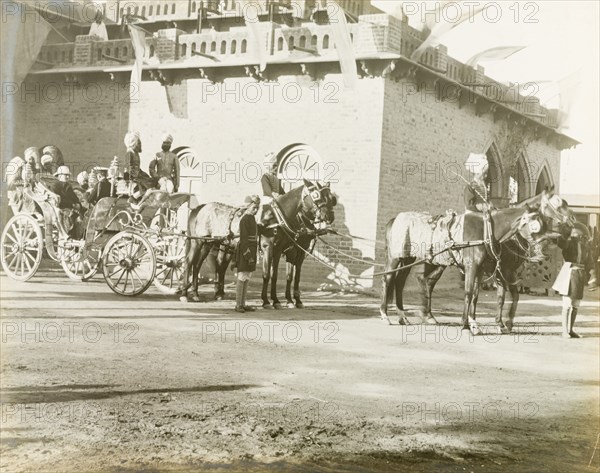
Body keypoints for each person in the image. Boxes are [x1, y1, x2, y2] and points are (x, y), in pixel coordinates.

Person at [552, 223, 598, 338]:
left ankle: (570, 329)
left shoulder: (585, 248)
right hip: (569, 273)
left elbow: (590, 263)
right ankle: (564, 330)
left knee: (576, 304)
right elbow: (562, 242)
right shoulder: (568, 244)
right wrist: (565, 231)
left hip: (579, 275)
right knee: (567, 304)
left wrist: (592, 278)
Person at [232, 195, 260, 313]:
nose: (256, 209)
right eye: (254, 207)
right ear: (248, 206)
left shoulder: (252, 219)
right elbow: (243, 241)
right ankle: (238, 304)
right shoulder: (244, 220)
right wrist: (248, 256)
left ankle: (243, 303)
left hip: (252, 250)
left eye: (257, 207)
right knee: (242, 277)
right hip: (245, 251)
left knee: (247, 278)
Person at [259, 152, 285, 226]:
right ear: (268, 167)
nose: (276, 168)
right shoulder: (265, 177)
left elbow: (282, 191)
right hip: (268, 202)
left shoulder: (276, 178)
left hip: (277, 201)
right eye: (274, 166)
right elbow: (268, 191)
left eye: (276, 166)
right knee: (266, 218)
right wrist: (277, 196)